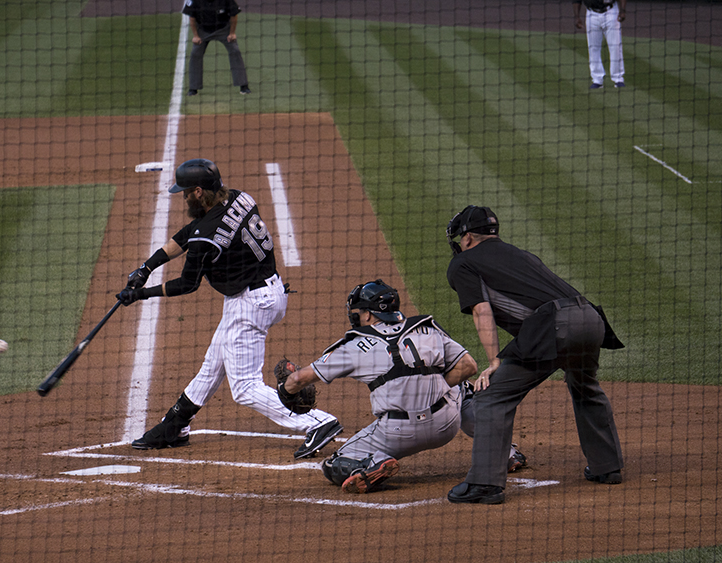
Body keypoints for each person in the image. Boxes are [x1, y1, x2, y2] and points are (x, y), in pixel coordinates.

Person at [117, 159, 342, 459]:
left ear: (198, 192)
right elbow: (189, 233)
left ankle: (317, 422)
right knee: (214, 364)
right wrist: (146, 267)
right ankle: (175, 425)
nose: (183, 198)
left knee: (245, 388)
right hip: (269, 290)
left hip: (250, 304)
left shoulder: (206, 236)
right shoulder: (239, 197)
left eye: (185, 192)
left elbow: (187, 284)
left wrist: (141, 294)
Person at [444, 205, 625, 504]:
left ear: (467, 239)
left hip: (555, 326)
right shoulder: (520, 253)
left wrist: (493, 362)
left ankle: (485, 485)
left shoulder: (464, 263)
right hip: (591, 319)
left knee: (492, 395)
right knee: (585, 387)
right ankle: (608, 467)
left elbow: (481, 310)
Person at [280, 280, 526, 494]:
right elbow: (469, 366)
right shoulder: (427, 328)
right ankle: (504, 454)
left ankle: (375, 463)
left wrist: (285, 390)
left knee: (335, 464)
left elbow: (300, 379)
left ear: (368, 315)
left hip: (398, 434)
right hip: (445, 424)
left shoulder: (355, 346)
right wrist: (436, 386)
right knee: (463, 388)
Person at [182, 0, 251, 96]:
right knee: (195, 53)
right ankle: (193, 88)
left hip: (223, 29)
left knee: (235, 50)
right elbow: (192, 17)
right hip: (203, 30)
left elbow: (234, 14)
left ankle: (243, 86)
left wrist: (232, 33)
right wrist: (195, 36)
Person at [573, 0, 627, 89]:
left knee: (615, 46)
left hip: (611, 12)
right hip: (591, 14)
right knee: (593, 47)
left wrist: (622, 10)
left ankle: (618, 79)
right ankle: (597, 79)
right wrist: (577, 17)